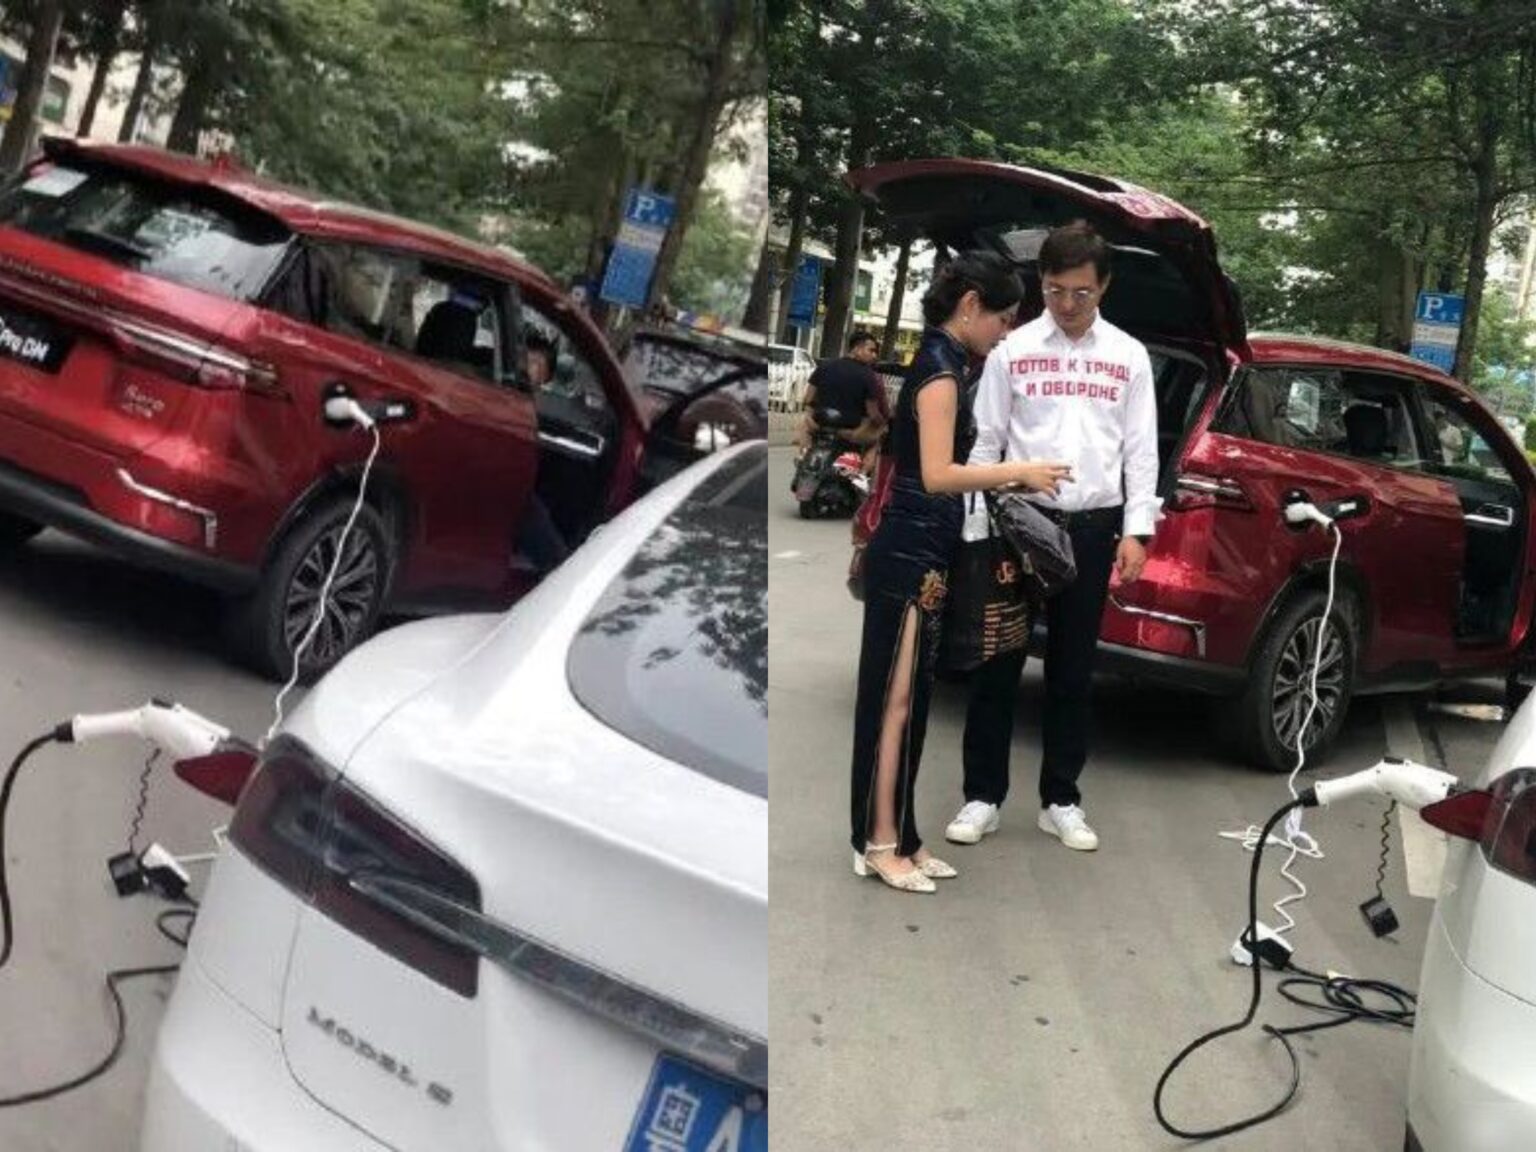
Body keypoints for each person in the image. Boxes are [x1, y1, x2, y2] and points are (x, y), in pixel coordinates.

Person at [849, 252, 1072, 894]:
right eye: (1003, 318)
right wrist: (1018, 471)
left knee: (913, 701)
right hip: (909, 553)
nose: (1005, 331)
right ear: (970, 305)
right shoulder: (942, 372)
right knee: (893, 702)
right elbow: (938, 474)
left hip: (928, 551)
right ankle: (879, 842)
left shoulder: (945, 362)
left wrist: (1006, 481)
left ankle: (903, 837)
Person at [945, 222, 1159, 854]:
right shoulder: (1011, 351)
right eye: (1056, 290)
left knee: (1072, 668)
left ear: (1104, 287)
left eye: (1081, 293)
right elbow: (986, 441)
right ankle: (982, 795)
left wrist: (1137, 530)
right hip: (1018, 523)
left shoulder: (1128, 356)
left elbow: (1141, 450)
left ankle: (1061, 799)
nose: (1067, 304)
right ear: (1040, 283)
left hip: (1092, 527)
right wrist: (975, 525)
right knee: (997, 662)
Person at [795, 331, 887, 454]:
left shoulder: (824, 366)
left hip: (819, 426)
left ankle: (804, 455)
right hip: (850, 432)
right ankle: (865, 465)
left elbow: (808, 398)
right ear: (857, 349)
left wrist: (809, 416)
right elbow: (873, 413)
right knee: (879, 435)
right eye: (871, 350)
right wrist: (883, 423)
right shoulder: (869, 376)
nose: (874, 355)